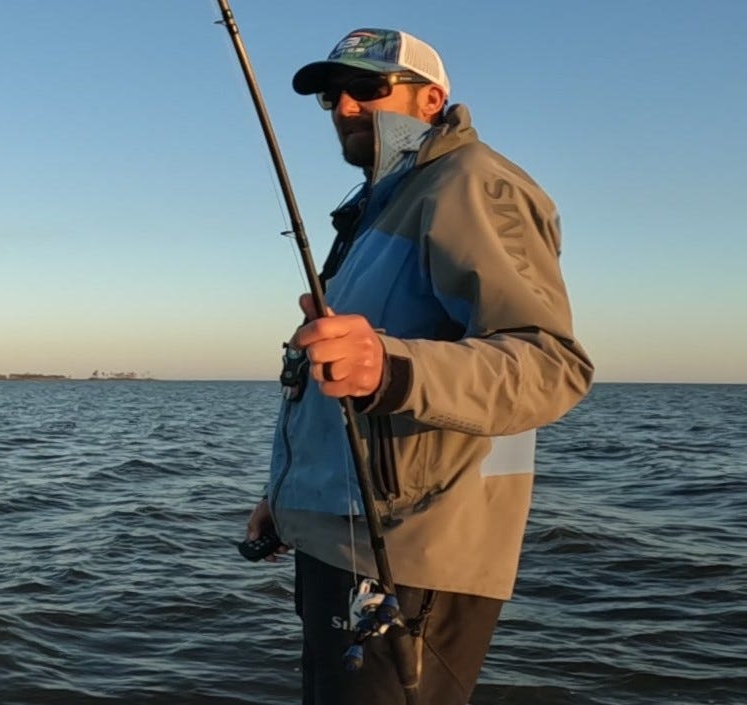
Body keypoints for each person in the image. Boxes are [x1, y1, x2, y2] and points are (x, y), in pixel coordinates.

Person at [243, 27, 595, 705]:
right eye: (331, 95)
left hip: (414, 556)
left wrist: (389, 367)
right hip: (336, 541)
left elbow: (551, 363)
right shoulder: (373, 211)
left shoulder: (473, 184)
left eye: (368, 89)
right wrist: (284, 497)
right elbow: (331, 384)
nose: (345, 106)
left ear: (431, 99)